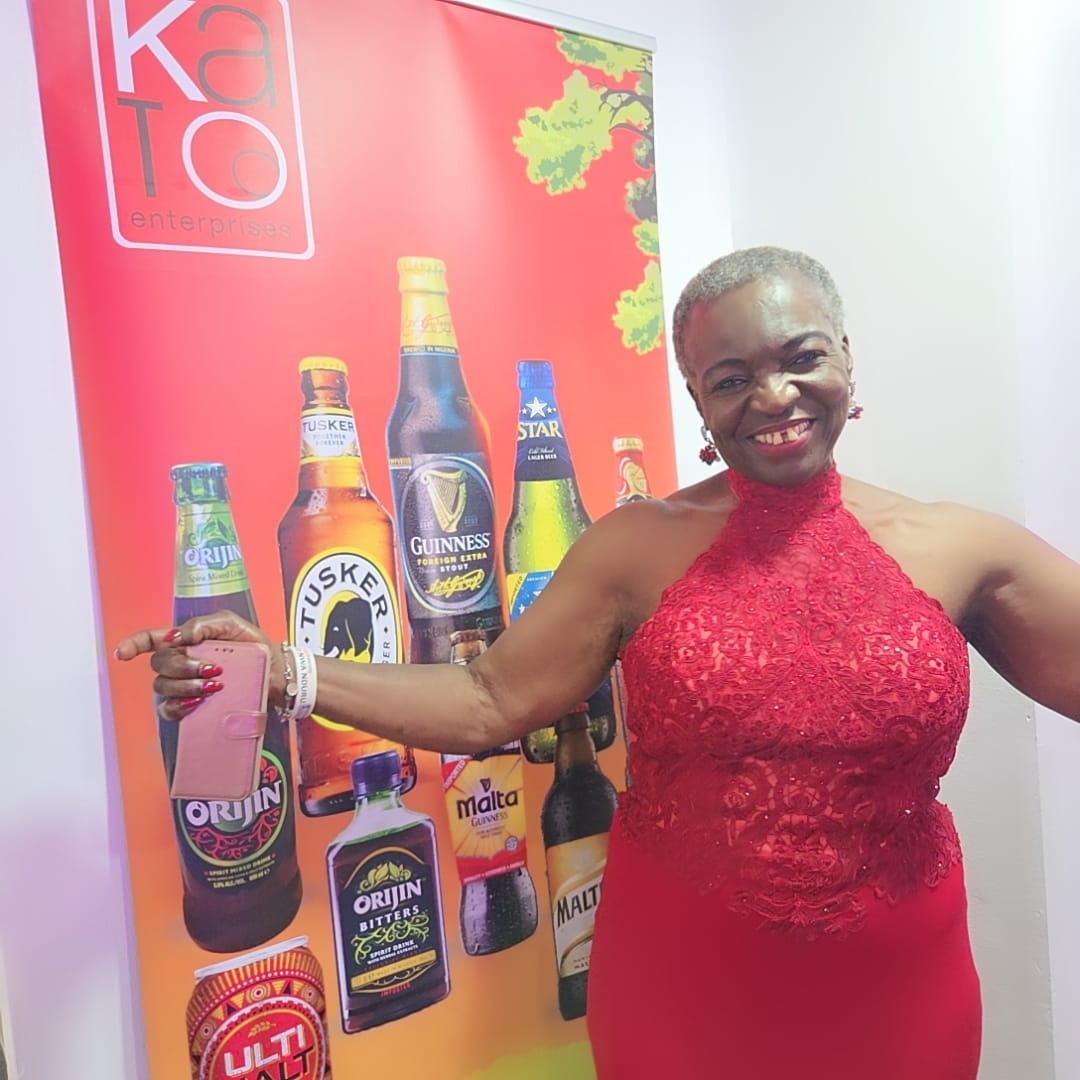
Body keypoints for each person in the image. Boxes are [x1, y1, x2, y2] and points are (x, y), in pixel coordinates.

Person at [117, 247, 1080, 1079]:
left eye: (801, 358)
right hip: (687, 988)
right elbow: (489, 696)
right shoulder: (634, 547)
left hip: (897, 989)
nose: (773, 396)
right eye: (730, 377)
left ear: (846, 357)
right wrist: (287, 671)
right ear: (698, 400)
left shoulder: (961, 549)